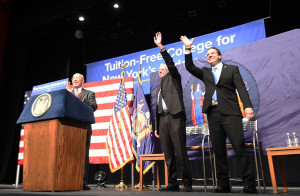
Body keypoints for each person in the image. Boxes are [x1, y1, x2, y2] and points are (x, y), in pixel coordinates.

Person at [180, 36, 256, 193]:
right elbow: (189, 67)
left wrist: (247, 106)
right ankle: (224, 184)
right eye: (207, 54)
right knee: (219, 150)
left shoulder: (232, 70)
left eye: (212, 53)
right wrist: (188, 48)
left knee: (239, 147)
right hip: (213, 114)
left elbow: (241, 88)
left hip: (231, 113)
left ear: (219, 55)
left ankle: (249, 184)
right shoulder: (206, 72)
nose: (209, 55)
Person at [153, 32, 193, 192]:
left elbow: (169, 63)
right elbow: (157, 108)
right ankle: (172, 183)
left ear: (168, 71)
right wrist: (156, 126)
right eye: (159, 71)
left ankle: (188, 183)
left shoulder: (174, 78)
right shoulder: (157, 89)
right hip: (162, 121)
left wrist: (161, 47)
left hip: (175, 117)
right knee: (168, 154)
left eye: (162, 69)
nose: (160, 71)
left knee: (180, 152)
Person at [67, 73, 98, 190]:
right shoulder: (67, 94)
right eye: (73, 78)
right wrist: (66, 97)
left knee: (84, 155)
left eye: (77, 78)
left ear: (82, 80)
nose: (75, 79)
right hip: (68, 129)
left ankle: (83, 182)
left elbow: (94, 106)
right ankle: (68, 180)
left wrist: (83, 100)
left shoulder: (89, 93)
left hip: (84, 128)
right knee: (69, 155)